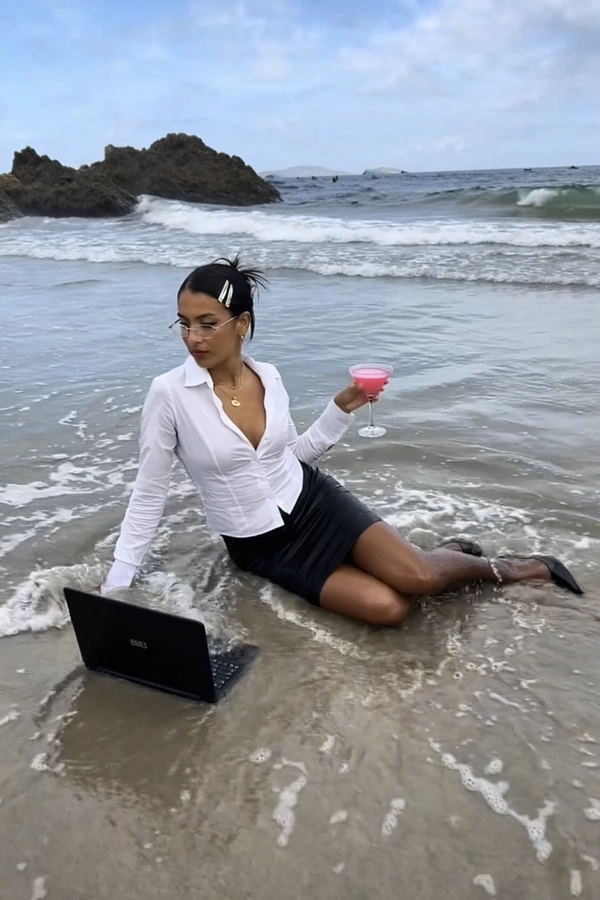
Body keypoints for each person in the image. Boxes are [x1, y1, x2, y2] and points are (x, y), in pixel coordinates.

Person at [101, 256, 583, 625]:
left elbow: (292, 457)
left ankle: (522, 568)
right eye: (184, 324)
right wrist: (117, 584)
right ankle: (449, 552)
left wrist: (340, 409)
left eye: (208, 324)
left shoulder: (267, 377)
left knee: (418, 577)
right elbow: (150, 492)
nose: (193, 337)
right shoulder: (169, 394)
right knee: (390, 608)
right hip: (262, 545)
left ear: (241, 325)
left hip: (313, 501)